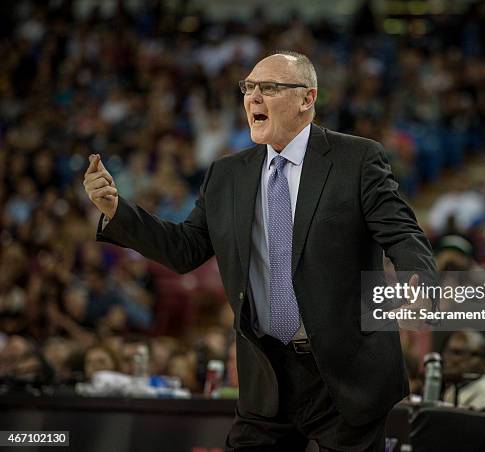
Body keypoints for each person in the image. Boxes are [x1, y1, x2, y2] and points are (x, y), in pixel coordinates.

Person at [84, 50, 436, 451]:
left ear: (307, 98)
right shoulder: (226, 174)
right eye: (248, 87)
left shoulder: (357, 159)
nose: (252, 97)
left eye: (268, 88)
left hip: (345, 369)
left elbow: (403, 233)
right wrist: (117, 210)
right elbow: (185, 249)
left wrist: (418, 283)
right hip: (267, 372)